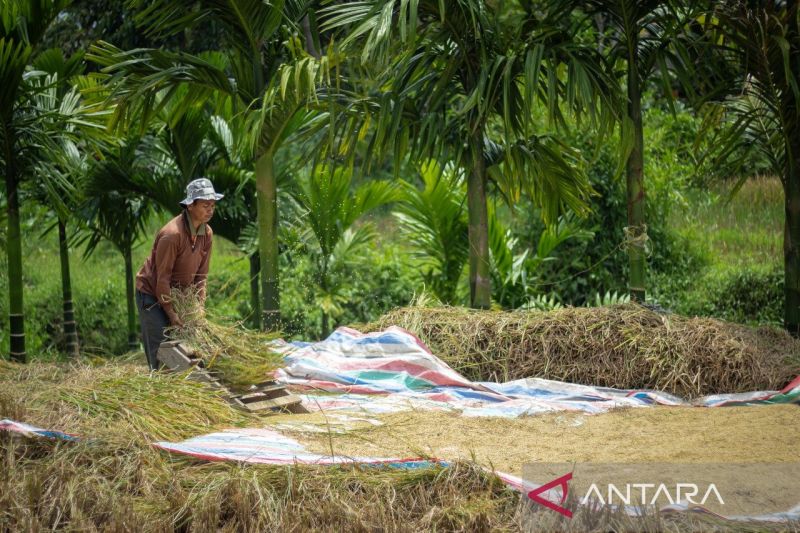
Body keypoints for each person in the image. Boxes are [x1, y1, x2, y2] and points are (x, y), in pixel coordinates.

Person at [135, 178, 223, 369]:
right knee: (161, 350)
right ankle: (159, 388)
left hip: (178, 294)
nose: (210, 210)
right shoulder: (172, 235)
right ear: (190, 205)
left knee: (187, 349)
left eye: (213, 205)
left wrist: (198, 306)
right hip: (152, 294)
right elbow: (162, 278)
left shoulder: (207, 233)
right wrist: (171, 313)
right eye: (205, 205)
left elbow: (201, 276)